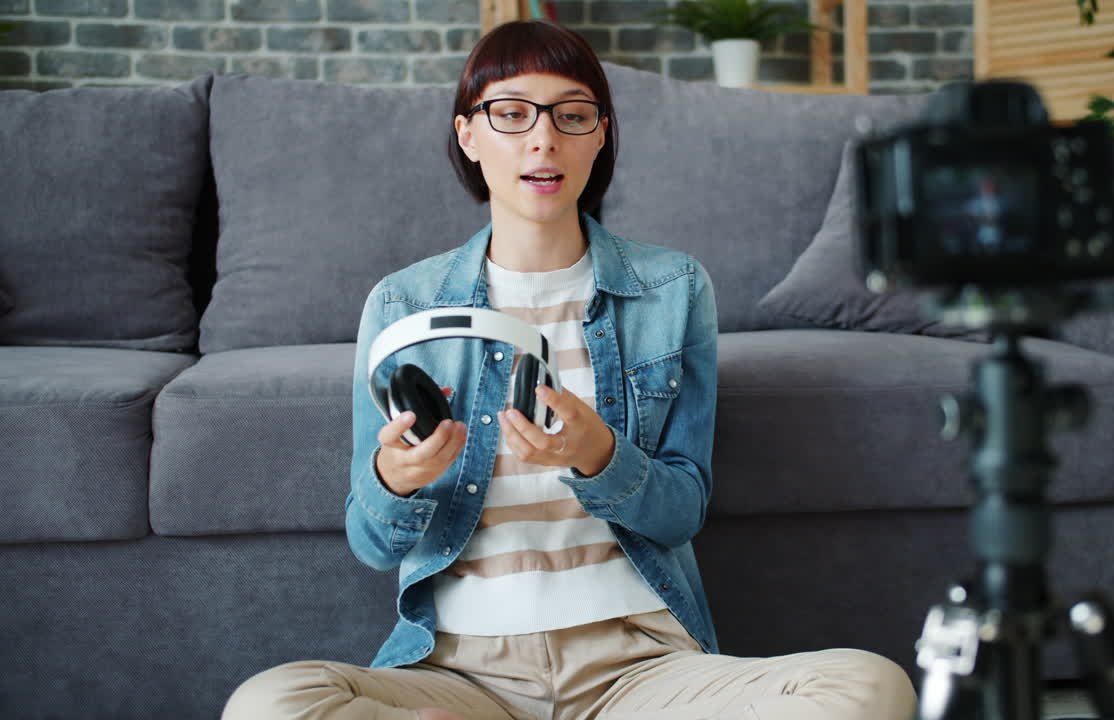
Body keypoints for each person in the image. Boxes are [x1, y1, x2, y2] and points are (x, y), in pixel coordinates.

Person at [223, 20, 916, 720]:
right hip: (463, 672)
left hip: (638, 667)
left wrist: (601, 456)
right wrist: (394, 480)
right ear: (469, 135)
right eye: (512, 112)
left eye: (571, 114)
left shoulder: (672, 289)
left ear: (601, 134)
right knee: (268, 705)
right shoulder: (405, 305)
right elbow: (372, 544)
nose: (543, 139)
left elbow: (681, 512)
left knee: (868, 688)